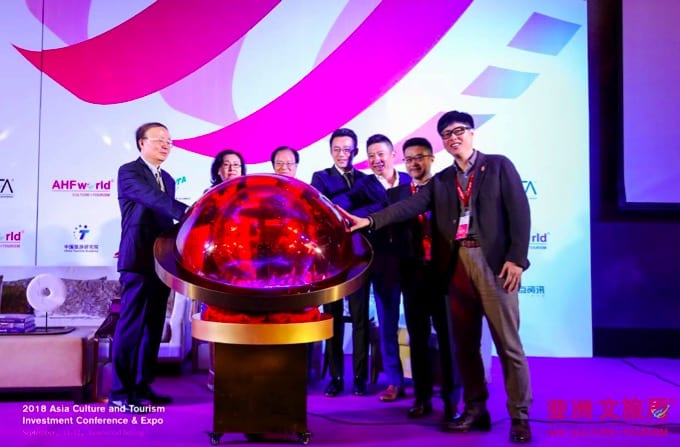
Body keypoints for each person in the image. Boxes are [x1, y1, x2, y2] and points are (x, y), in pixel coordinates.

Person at [340, 111, 533, 443]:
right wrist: (369, 221)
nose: (453, 137)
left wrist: (516, 259)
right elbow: (407, 207)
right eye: (447, 134)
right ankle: (475, 409)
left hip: (493, 264)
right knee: (465, 346)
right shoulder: (442, 180)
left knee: (508, 345)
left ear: (471, 133)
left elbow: (520, 212)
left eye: (459, 131)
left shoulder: (498, 166)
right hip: (456, 267)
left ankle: (520, 415)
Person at [111, 122, 188, 412]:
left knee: (154, 327)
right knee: (131, 325)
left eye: (169, 141)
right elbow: (153, 199)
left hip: (161, 262)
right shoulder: (129, 172)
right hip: (137, 258)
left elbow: (164, 218)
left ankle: (142, 387)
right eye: (159, 140)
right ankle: (120, 393)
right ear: (142, 143)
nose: (166, 145)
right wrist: (186, 211)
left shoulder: (167, 178)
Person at [335, 134, 411, 402]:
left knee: (419, 324)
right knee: (387, 325)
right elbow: (341, 206)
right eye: (371, 156)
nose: (377, 160)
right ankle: (394, 382)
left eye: (381, 154)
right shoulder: (364, 185)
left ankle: (424, 382)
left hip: (414, 263)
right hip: (383, 264)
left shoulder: (409, 181)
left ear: (393, 155)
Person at [396, 137, 462, 423]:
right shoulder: (397, 195)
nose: (414, 163)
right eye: (409, 159)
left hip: (444, 275)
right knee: (418, 339)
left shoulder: (447, 189)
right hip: (412, 276)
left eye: (419, 157)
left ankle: (451, 400)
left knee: (448, 340)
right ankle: (421, 397)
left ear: (432, 158)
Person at [310, 128, 370, 397]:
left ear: (355, 151)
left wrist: (343, 206)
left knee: (360, 319)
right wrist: (356, 200)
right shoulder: (320, 177)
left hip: (359, 258)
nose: (342, 154)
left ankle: (359, 377)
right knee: (331, 318)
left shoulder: (367, 180)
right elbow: (322, 209)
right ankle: (335, 376)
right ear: (330, 151)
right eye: (337, 149)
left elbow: (377, 207)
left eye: (347, 149)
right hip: (331, 262)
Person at [205, 149, 247, 391]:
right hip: (217, 270)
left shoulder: (250, 195)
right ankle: (216, 374)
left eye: (236, 165)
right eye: (226, 164)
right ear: (218, 170)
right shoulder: (208, 197)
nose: (231, 169)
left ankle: (242, 372)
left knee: (243, 321)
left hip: (245, 269)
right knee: (218, 320)